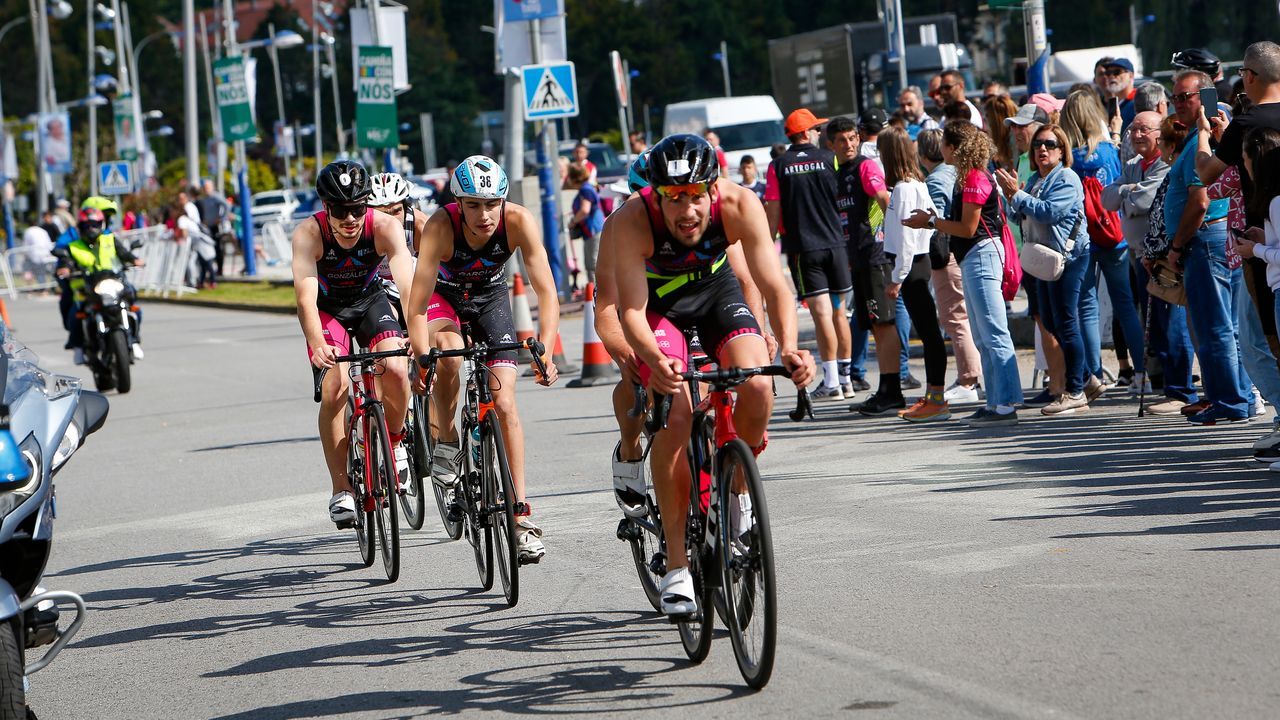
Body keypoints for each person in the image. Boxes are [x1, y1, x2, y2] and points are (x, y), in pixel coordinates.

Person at [610, 133, 814, 616]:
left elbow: (773, 285)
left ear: (713, 189)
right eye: (673, 198)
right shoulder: (631, 221)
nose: (686, 210)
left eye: (696, 195)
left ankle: (737, 493)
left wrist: (787, 345)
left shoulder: (741, 205)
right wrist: (653, 361)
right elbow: (632, 312)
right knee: (677, 416)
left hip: (715, 295)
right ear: (656, 195)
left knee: (758, 383)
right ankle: (678, 566)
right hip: (659, 310)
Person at [595, 149, 771, 518]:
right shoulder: (623, 225)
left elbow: (743, 279)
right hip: (650, 315)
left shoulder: (705, 219)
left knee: (726, 384)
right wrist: (627, 352)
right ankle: (629, 450)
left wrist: (760, 329)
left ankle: (726, 486)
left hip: (707, 305)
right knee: (637, 378)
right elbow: (607, 310)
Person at [406, 155, 560, 563]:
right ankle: (446, 440)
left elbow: (546, 291)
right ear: (458, 203)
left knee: (505, 402)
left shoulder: (518, 221)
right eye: (472, 204)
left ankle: (520, 515)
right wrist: (423, 356)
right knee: (451, 359)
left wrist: (545, 346)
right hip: (445, 300)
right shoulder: (441, 226)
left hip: (491, 299)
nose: (484, 214)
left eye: (492, 203)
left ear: (503, 201)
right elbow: (417, 305)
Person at [291, 160, 416, 527]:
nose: (349, 219)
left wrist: (415, 333)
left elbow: (407, 285)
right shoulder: (308, 235)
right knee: (336, 387)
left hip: (369, 301)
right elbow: (305, 300)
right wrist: (317, 344)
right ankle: (341, 488)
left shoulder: (386, 227)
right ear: (325, 208)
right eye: (340, 210)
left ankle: (394, 443)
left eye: (357, 209)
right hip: (328, 310)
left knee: (394, 368)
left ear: (368, 205)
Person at [904, 121, 1022, 424]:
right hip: (975, 256)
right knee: (984, 334)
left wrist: (931, 222)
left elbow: (968, 228)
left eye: (944, 142)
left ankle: (1006, 403)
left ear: (954, 147)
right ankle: (996, 402)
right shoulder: (967, 177)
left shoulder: (973, 179)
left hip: (981, 255)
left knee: (994, 331)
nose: (940, 148)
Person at [1165, 70, 1251, 424]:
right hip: (1215, 239)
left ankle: (1229, 399)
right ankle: (1236, 396)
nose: (1180, 104)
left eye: (1187, 96)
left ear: (1206, 97)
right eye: (1176, 98)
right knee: (1225, 326)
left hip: (1205, 240)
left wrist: (1176, 245)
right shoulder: (1201, 138)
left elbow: (1199, 201)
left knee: (1213, 326)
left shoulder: (1209, 137)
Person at [997, 125, 1094, 415]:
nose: (1042, 149)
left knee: (1065, 321)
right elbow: (1021, 215)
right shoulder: (1038, 179)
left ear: (1062, 150)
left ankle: (1075, 390)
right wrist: (1010, 195)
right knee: (1051, 322)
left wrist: (1018, 195)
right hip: (1045, 260)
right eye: (1038, 144)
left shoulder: (1065, 177)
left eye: (1050, 144)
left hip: (1069, 257)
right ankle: (1088, 378)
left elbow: (1050, 212)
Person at [1060, 90, 1145, 398]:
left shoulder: (1070, 156)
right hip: (1114, 232)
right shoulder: (1110, 149)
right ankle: (1141, 372)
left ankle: (1093, 375)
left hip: (1081, 237)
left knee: (1086, 306)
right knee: (1125, 305)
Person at [765, 108, 852, 400]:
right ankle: (846, 378)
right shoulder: (830, 159)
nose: (819, 132)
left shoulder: (778, 165)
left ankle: (832, 382)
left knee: (821, 314)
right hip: (836, 245)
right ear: (805, 133)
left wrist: (766, 245)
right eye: (815, 129)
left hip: (804, 250)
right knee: (840, 312)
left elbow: (773, 208)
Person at [825, 115, 898, 411]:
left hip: (875, 257)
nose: (849, 144)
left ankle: (892, 390)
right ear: (831, 144)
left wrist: (895, 241)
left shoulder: (865, 167)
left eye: (852, 138)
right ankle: (886, 389)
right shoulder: (838, 172)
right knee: (873, 326)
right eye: (841, 140)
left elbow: (883, 197)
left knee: (884, 324)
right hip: (857, 260)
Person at [878, 127, 950, 422]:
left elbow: (908, 238)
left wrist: (897, 276)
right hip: (914, 264)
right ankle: (934, 395)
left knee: (929, 332)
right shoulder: (911, 184)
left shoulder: (905, 188)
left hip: (912, 266)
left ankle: (937, 398)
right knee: (929, 330)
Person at [1102, 111, 1168, 396]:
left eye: (1144, 129)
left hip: (1160, 254)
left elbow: (1146, 199)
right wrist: (1131, 191)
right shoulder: (1132, 165)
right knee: (1147, 318)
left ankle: (1174, 383)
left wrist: (1126, 193)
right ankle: (1157, 377)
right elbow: (1107, 198)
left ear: (1159, 133)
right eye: (1133, 129)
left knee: (1166, 320)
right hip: (1136, 253)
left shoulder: (1165, 163)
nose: (1137, 134)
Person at [918, 129, 983, 404]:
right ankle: (971, 376)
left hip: (947, 255)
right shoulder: (953, 174)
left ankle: (969, 378)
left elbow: (940, 219)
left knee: (955, 317)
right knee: (961, 316)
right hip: (959, 253)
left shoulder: (935, 179)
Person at [1230, 127, 1280, 470]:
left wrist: (1257, 250)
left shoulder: (1276, 200)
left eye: (1245, 159)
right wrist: (1264, 240)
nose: (1243, 167)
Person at [53, 208, 146, 364]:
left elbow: (123, 253)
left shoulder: (110, 240)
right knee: (76, 313)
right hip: (88, 286)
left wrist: (135, 260)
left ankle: (134, 340)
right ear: (81, 227)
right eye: (87, 225)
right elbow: (67, 261)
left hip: (113, 281)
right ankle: (78, 348)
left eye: (94, 224)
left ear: (101, 224)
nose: (91, 228)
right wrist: (65, 269)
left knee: (134, 306)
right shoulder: (74, 246)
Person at [367, 172, 429, 321]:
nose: (391, 220)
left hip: (414, 287)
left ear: (406, 207)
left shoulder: (419, 225)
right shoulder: (360, 229)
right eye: (382, 214)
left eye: (396, 211)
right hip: (378, 290)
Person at [568, 161, 606, 284]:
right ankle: (595, 291)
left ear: (574, 177)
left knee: (592, 264)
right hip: (592, 230)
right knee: (591, 263)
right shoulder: (587, 188)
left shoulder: (585, 190)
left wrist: (573, 221)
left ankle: (596, 293)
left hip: (593, 229)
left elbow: (585, 210)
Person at [195, 179, 229, 278]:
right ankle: (208, 271)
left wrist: (221, 218)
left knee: (217, 248)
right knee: (207, 249)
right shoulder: (203, 198)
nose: (206, 190)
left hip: (215, 226)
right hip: (207, 226)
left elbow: (227, 206)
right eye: (204, 188)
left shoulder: (216, 197)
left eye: (207, 188)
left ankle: (220, 269)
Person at [1100, 58, 1139, 134]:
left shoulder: (1138, 101)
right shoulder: (1111, 104)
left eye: (1116, 72)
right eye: (1108, 73)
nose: (1111, 76)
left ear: (1131, 75)